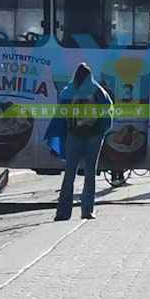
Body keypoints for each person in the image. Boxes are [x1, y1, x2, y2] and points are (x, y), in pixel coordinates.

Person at [53, 63, 113, 221]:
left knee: (69, 174)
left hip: (74, 136)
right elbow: (108, 112)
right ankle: (87, 211)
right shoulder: (99, 91)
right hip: (94, 137)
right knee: (90, 174)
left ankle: (63, 213)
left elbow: (61, 112)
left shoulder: (69, 90)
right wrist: (101, 131)